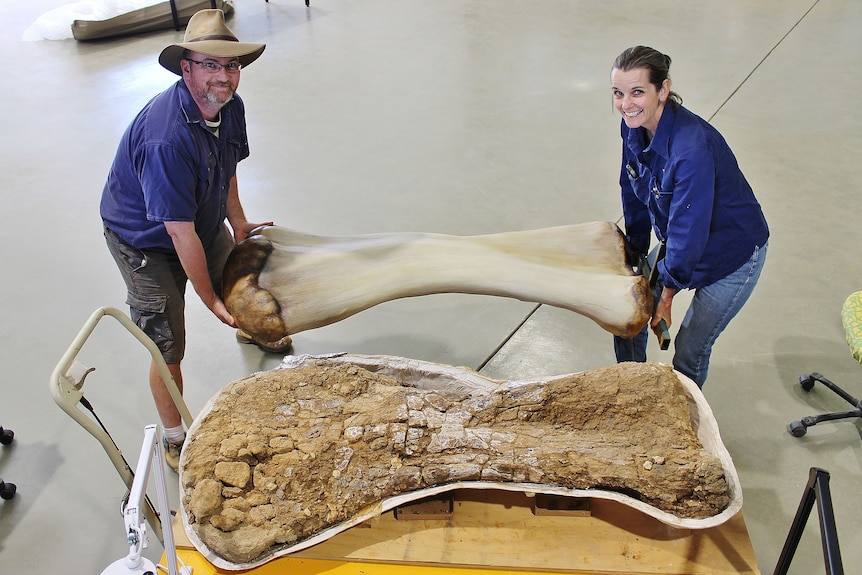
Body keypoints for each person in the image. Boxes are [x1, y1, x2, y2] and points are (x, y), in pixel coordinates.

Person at [100, 9, 284, 471]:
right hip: (146, 241)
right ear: (186, 67)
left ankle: (246, 325)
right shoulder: (166, 139)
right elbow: (178, 236)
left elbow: (227, 169)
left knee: (241, 274)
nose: (224, 75)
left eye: (231, 65)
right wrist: (209, 300)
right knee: (167, 344)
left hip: (196, 217)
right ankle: (175, 435)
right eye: (210, 64)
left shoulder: (228, 105)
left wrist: (237, 223)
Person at [610, 45, 769, 389]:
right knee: (628, 314)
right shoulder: (633, 127)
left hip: (731, 255)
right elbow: (631, 188)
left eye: (638, 92)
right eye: (618, 93)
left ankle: (684, 423)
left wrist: (665, 296)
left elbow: (688, 230)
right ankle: (632, 390)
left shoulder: (691, 150)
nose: (626, 103)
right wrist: (634, 256)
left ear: (663, 90)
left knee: (689, 350)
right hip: (685, 240)